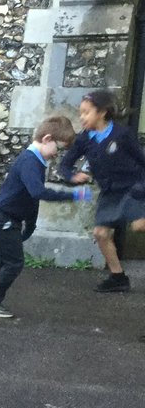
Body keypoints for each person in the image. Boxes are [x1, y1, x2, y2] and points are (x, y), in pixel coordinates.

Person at [0, 115, 89, 317]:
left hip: (5, 218)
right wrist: (73, 194)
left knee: (5, 260)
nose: (57, 155)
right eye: (58, 148)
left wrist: (31, 225)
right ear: (47, 139)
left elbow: (30, 198)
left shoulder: (37, 161)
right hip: (1, 219)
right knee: (14, 263)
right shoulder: (30, 161)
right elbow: (38, 193)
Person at [58, 89, 145, 292]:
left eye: (86, 112)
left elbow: (142, 162)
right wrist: (72, 176)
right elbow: (65, 165)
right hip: (109, 192)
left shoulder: (122, 135)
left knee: (139, 226)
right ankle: (118, 278)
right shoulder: (84, 139)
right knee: (100, 233)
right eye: (81, 112)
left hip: (134, 188)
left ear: (102, 112)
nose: (82, 117)